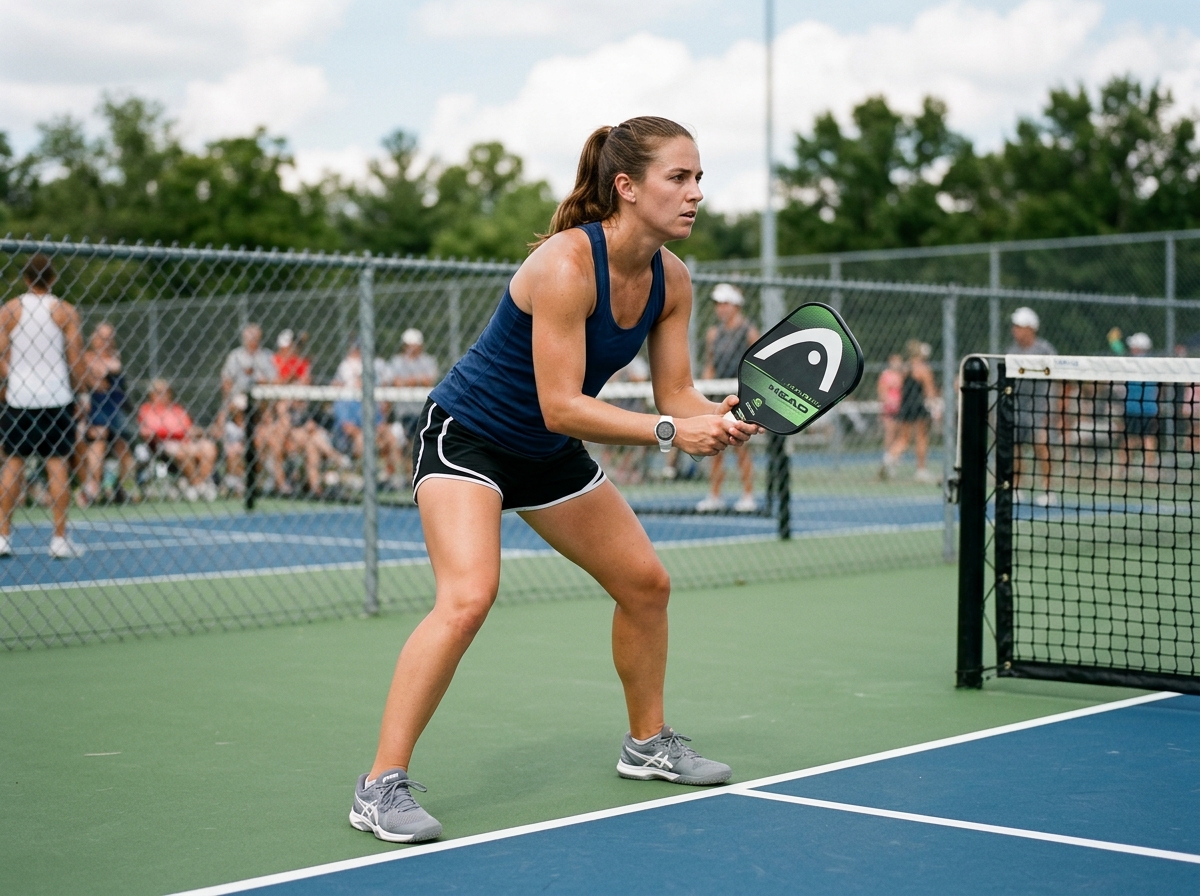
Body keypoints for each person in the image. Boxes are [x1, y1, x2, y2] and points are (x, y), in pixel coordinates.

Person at [348, 117, 758, 844]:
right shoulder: (567, 266)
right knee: (469, 596)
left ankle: (646, 743)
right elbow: (562, 403)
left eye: (699, 178)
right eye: (680, 178)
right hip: (469, 439)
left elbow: (677, 394)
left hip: (548, 454)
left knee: (646, 585)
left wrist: (714, 418)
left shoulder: (673, 279)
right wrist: (671, 431)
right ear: (627, 188)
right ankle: (380, 784)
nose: (697, 193)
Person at [0, 254, 86, 558]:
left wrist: (9, 381)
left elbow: (0, 355)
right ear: (53, 278)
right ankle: (59, 539)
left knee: (13, 464)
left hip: (19, 399)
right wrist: (81, 391)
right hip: (55, 397)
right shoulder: (64, 311)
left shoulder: (10, 310)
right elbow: (75, 359)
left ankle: (3, 535)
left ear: (25, 278)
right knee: (57, 465)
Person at [696, 283, 759, 512]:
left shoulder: (748, 331)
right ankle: (715, 495)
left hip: (742, 397)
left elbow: (758, 366)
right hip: (720, 396)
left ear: (735, 305)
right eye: (717, 304)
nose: (720, 309)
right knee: (715, 447)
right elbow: (711, 365)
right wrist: (703, 391)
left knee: (741, 448)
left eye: (724, 304)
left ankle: (748, 495)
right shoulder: (713, 334)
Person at [77, 322, 137, 507]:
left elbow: (115, 389)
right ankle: (92, 486)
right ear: (94, 338)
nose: (106, 341)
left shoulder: (115, 358)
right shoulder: (86, 358)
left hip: (115, 412)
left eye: (109, 337)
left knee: (123, 443)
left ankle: (121, 487)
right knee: (99, 439)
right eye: (102, 337)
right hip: (95, 411)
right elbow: (92, 385)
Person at [1005, 307, 1060, 504]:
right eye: (1014, 327)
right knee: (1015, 448)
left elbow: (1058, 378)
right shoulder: (1012, 351)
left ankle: (1047, 490)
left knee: (1041, 446)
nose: (1015, 330)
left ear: (1031, 328)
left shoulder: (1045, 350)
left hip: (1041, 407)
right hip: (1017, 408)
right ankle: (1017, 488)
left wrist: (1053, 410)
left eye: (1019, 326)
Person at [137, 379, 218, 501]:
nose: (164, 395)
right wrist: (175, 432)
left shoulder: (177, 409)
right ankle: (198, 486)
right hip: (163, 445)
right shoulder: (147, 409)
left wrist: (205, 431)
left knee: (208, 447)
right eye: (159, 392)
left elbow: (189, 429)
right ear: (151, 394)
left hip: (185, 442)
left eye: (166, 392)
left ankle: (199, 485)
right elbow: (148, 432)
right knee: (181, 451)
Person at [881, 340, 940, 483]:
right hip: (919, 406)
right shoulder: (923, 369)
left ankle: (888, 459)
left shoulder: (905, 369)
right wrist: (936, 406)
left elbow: (902, 388)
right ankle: (921, 469)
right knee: (921, 438)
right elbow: (930, 391)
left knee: (904, 438)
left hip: (906, 406)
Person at [388, 328, 439, 483]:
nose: (412, 348)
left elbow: (429, 381)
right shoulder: (397, 361)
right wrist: (417, 380)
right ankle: (400, 477)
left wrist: (407, 381)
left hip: (423, 412)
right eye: (409, 345)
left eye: (415, 345)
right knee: (397, 440)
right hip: (403, 413)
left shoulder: (428, 361)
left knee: (417, 443)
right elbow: (396, 382)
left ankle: (414, 477)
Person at [1117, 332, 1159, 474]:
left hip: (1134, 408)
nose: (1130, 348)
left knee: (1130, 439)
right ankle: (1149, 471)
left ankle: (1122, 470)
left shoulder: (1130, 363)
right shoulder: (1154, 364)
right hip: (1148, 408)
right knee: (1147, 439)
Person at [876, 353, 904, 471]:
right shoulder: (886, 375)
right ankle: (888, 457)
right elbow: (882, 392)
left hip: (901, 408)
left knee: (900, 435)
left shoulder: (902, 375)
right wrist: (888, 403)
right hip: (889, 409)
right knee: (890, 434)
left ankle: (895, 458)